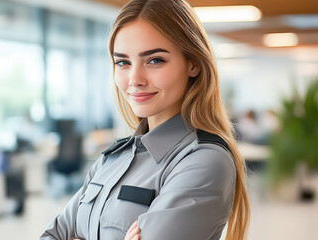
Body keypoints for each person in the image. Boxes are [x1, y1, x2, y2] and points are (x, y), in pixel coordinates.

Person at [40, 0, 250, 239]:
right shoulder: (113, 159)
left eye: (155, 60)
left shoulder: (205, 161)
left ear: (193, 63)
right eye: (123, 62)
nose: (135, 79)